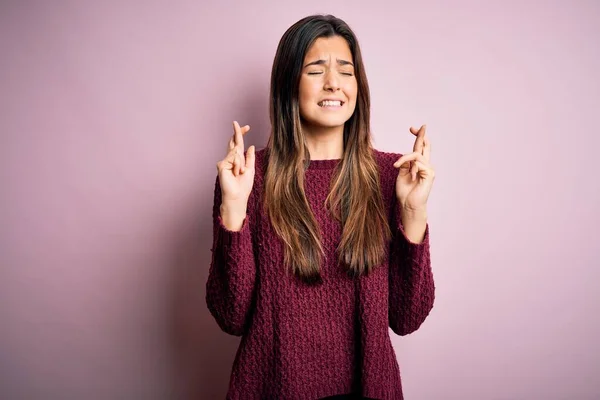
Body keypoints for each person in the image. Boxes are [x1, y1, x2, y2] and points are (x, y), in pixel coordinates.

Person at [206, 14, 436, 400]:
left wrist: (413, 214)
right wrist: (233, 208)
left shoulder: (393, 175)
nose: (333, 83)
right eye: (316, 70)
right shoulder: (249, 176)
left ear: (358, 87)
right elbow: (231, 317)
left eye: (345, 71)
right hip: (272, 389)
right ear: (288, 85)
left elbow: (407, 318)